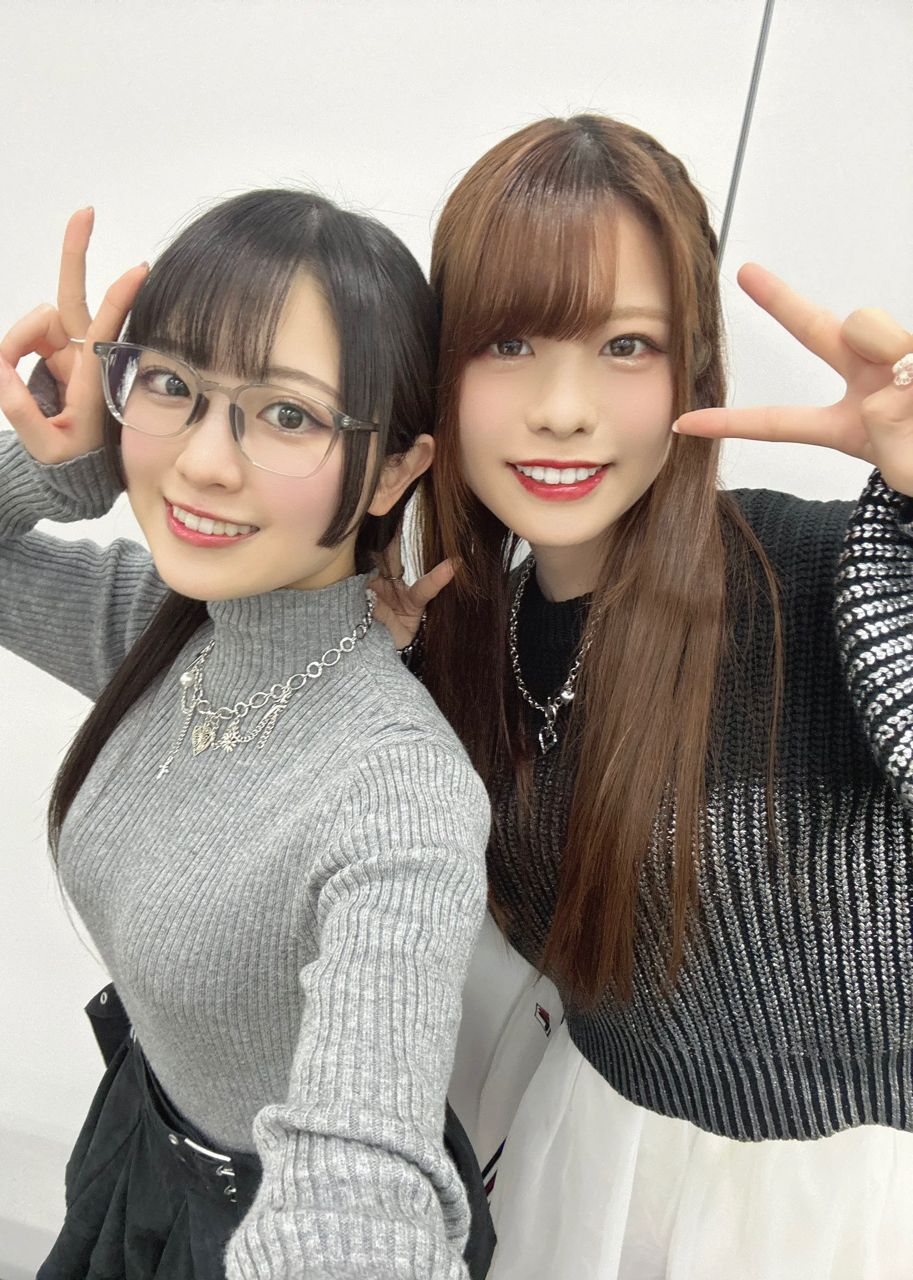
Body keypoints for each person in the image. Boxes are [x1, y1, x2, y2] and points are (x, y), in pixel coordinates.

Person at [375, 114, 913, 1278]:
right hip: (586, 1158)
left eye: (625, 345)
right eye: (508, 341)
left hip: (839, 1213)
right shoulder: (454, 632)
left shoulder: (836, 579)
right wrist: (78, 460)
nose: (561, 407)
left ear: (692, 368)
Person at [0, 192, 495, 1279]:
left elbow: (360, 1186)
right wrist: (67, 463)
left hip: (253, 1224)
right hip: (137, 1142)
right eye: (171, 386)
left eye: (287, 414)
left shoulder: (399, 792)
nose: (203, 461)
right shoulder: (161, 632)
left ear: (394, 470)